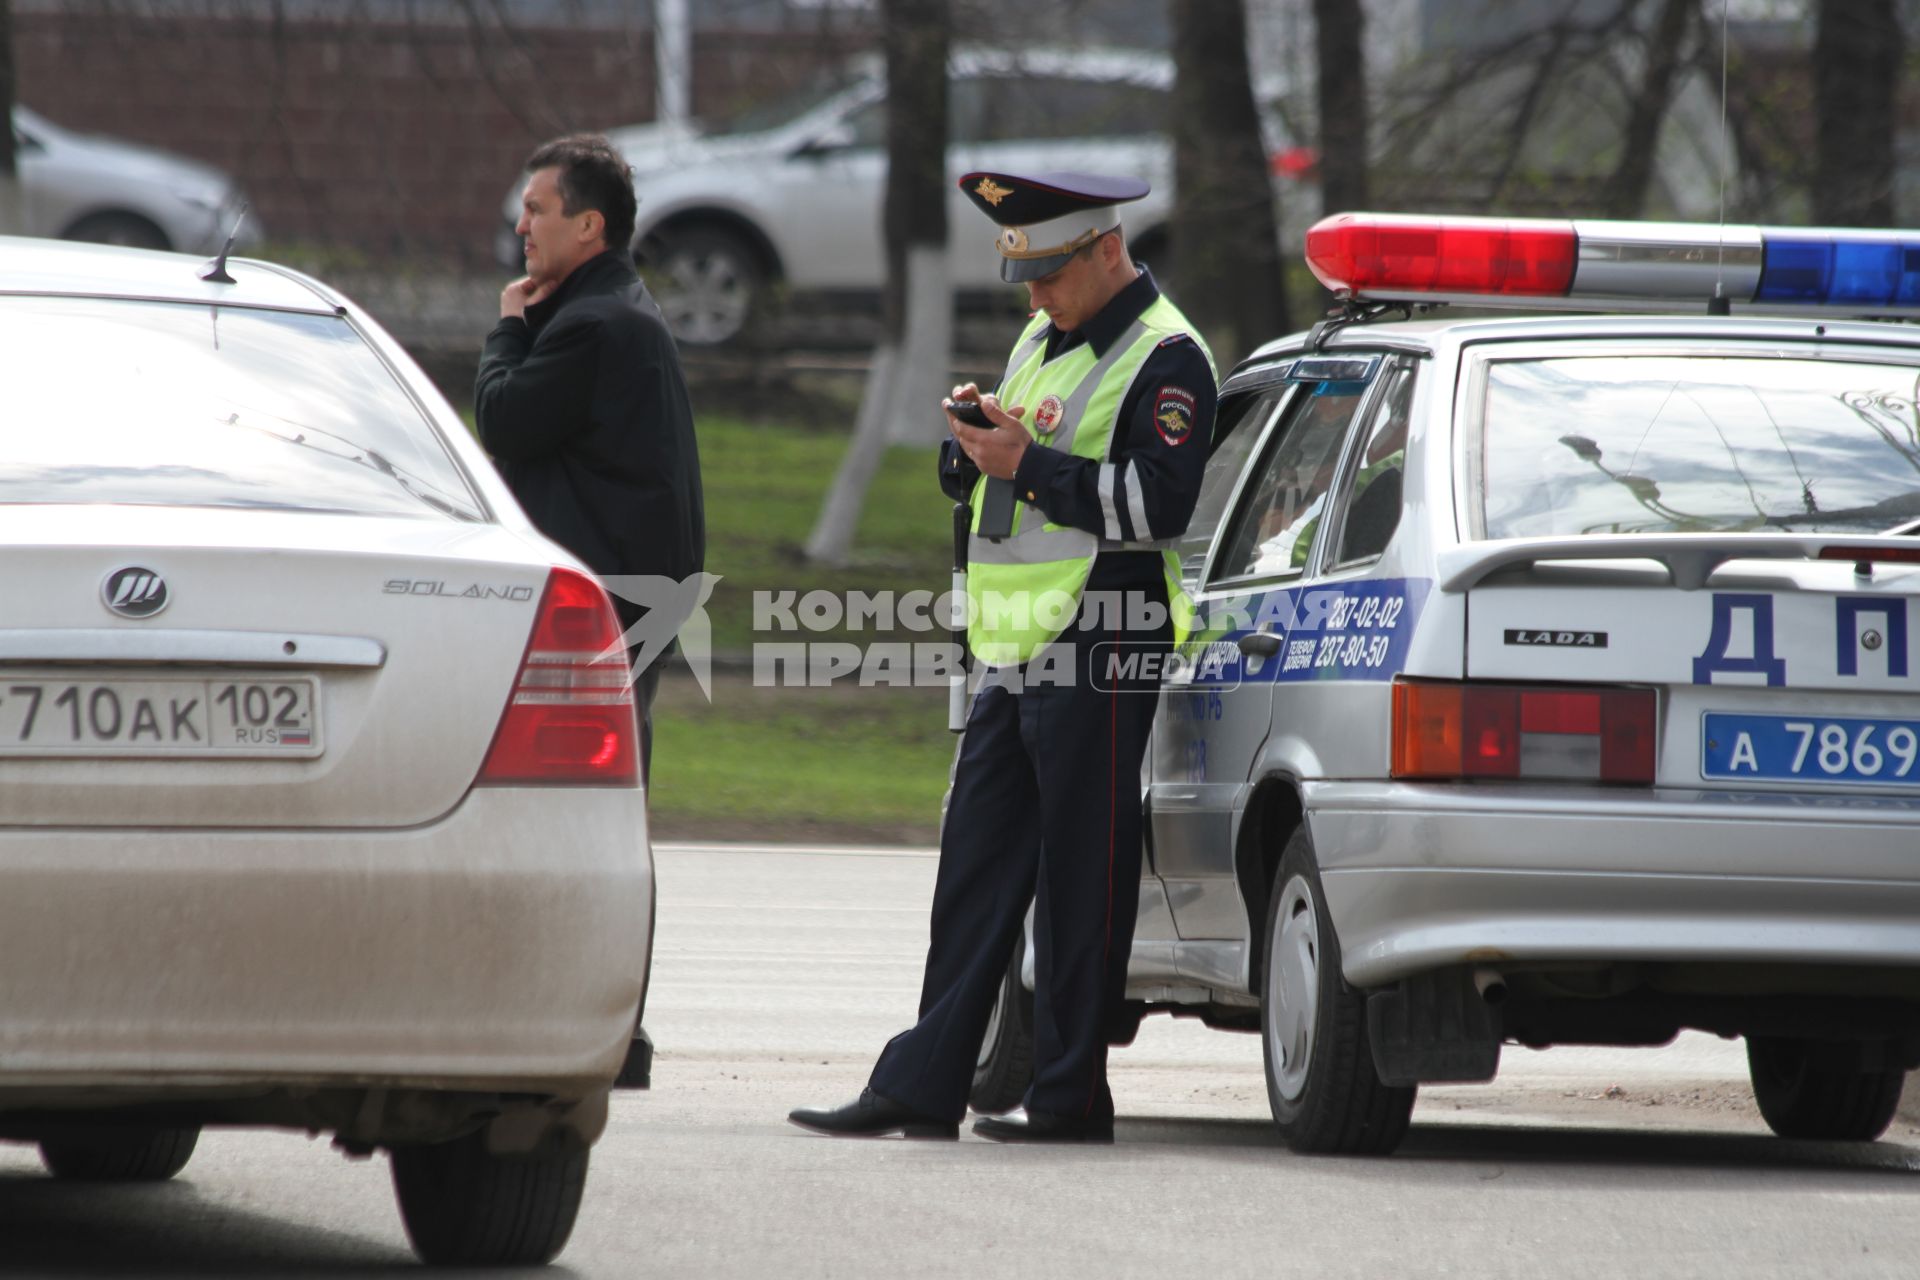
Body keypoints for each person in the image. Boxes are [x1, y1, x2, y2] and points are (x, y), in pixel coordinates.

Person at [789, 170, 1218, 1143]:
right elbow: (1009, 482)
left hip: (1108, 626)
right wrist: (971, 450)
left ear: (1107, 251)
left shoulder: (1169, 356)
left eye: (1049, 273)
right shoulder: (1042, 336)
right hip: (1016, 637)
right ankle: (925, 1080)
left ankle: (1070, 1094)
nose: (1033, 295)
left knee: (1080, 875)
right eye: (1023, 275)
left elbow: (1158, 505)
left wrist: (1027, 465)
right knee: (975, 869)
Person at [474, 134, 704, 780]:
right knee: (598, 793)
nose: (522, 226)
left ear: (587, 225)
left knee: (578, 793)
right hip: (625, 601)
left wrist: (511, 325)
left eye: (536, 209)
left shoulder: (594, 324)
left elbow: (503, 420)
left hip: (598, 608)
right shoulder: (614, 310)